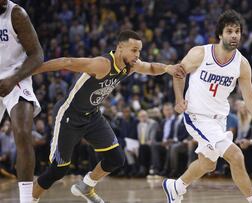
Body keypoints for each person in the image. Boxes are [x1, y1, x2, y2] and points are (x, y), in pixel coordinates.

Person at [31, 30, 185, 203]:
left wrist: (167, 68)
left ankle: (86, 186)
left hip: (93, 116)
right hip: (69, 115)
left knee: (116, 158)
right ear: (120, 48)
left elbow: (149, 67)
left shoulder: (130, 66)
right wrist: (29, 71)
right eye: (134, 50)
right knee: (58, 169)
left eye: (139, 51)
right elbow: (67, 62)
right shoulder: (102, 64)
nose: (137, 55)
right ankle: (29, 199)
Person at [163, 10, 252, 203]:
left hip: (219, 119)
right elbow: (179, 73)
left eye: (237, 31)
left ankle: (176, 186)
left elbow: (251, 101)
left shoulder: (242, 64)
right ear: (220, 34)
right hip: (197, 116)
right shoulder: (200, 53)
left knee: (208, 164)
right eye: (229, 31)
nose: (234, 35)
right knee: (236, 155)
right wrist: (179, 99)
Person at [0, 0, 44, 202]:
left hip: (16, 76)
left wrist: (13, 79)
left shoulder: (16, 14)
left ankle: (27, 199)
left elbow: (37, 55)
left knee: (23, 131)